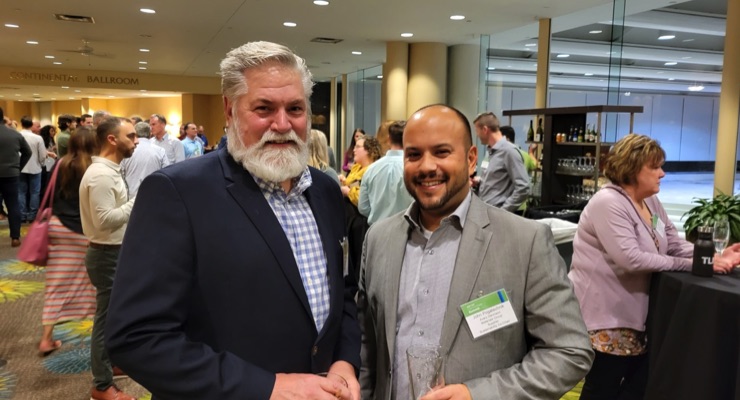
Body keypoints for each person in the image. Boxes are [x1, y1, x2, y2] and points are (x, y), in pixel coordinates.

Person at [105, 41, 360, 400]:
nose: (283, 124)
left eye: (295, 108)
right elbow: (136, 338)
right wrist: (268, 388)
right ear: (229, 109)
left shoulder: (326, 191)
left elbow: (343, 294)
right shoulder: (178, 192)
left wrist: (345, 361)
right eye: (264, 108)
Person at [359, 104, 593, 400]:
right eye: (414, 155)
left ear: (471, 159)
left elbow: (569, 350)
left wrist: (478, 394)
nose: (427, 166)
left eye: (442, 152)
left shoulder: (525, 242)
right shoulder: (378, 239)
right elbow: (368, 351)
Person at [568, 133, 735, 400]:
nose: (662, 173)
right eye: (655, 167)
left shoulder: (650, 202)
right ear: (632, 168)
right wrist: (692, 264)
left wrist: (713, 256)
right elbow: (631, 259)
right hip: (607, 318)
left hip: (637, 315)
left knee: (637, 387)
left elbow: (673, 243)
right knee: (603, 387)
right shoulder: (608, 203)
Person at [79, 117, 138, 400]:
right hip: (106, 255)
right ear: (112, 140)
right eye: (131, 136)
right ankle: (101, 385)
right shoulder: (101, 175)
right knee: (105, 321)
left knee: (114, 316)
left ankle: (110, 363)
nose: (136, 141)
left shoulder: (109, 170)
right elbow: (104, 220)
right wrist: (137, 200)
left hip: (112, 252)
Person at [39, 126, 98, 356]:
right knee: (97, 283)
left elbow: (47, 195)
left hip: (59, 228)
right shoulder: (95, 167)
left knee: (56, 283)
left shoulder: (60, 164)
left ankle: (46, 339)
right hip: (87, 232)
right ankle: (101, 336)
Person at [359, 121, 413, 225]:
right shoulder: (413, 169)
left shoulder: (370, 170)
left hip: (377, 229)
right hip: (407, 229)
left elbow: (363, 207)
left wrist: (378, 216)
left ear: (388, 140)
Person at [473, 112, 529, 212]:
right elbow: (497, 181)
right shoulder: (491, 152)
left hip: (497, 215)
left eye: (477, 131)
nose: (477, 135)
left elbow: (523, 187)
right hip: (486, 212)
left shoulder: (509, 151)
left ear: (485, 130)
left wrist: (502, 211)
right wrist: (480, 181)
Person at [0, 107, 32, 246]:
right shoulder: (15, 134)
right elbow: (28, 152)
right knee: (13, 205)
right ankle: (15, 237)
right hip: (11, 174)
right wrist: (18, 167)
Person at [120, 121, 169, 197]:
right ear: (150, 134)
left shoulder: (126, 150)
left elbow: (120, 174)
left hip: (131, 196)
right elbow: (166, 173)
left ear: (135, 134)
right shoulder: (160, 151)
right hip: (154, 194)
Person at [18, 116, 48, 223]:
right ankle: (32, 215)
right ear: (31, 125)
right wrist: (41, 164)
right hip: (35, 168)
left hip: (20, 168)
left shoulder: (17, 135)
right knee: (34, 193)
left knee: (21, 192)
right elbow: (42, 155)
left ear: (21, 124)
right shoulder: (38, 138)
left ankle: (22, 215)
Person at [501, 125, 536, 214]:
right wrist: (531, 152)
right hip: (520, 205)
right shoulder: (524, 155)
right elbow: (535, 165)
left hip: (505, 205)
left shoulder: (502, 155)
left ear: (506, 139)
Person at [340, 136, 381, 207]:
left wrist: (348, 192)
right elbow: (353, 184)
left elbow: (364, 199)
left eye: (357, 147)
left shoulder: (373, 171)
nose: (354, 150)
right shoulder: (357, 167)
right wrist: (344, 180)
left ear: (369, 150)